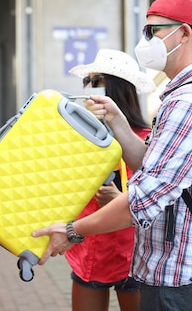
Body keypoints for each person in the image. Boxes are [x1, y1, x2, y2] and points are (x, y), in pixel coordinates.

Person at [33, 0, 192, 311]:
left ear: (184, 33)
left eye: (152, 31)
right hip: (171, 271)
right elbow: (151, 165)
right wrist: (116, 119)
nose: (146, 40)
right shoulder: (189, 95)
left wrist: (71, 230)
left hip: (180, 278)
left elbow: (145, 196)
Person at [66, 49, 154, 311]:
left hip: (131, 255)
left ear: (117, 88)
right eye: (87, 81)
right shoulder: (77, 138)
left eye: (96, 80)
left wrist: (122, 201)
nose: (88, 88)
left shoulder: (147, 140)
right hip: (86, 250)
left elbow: (157, 195)